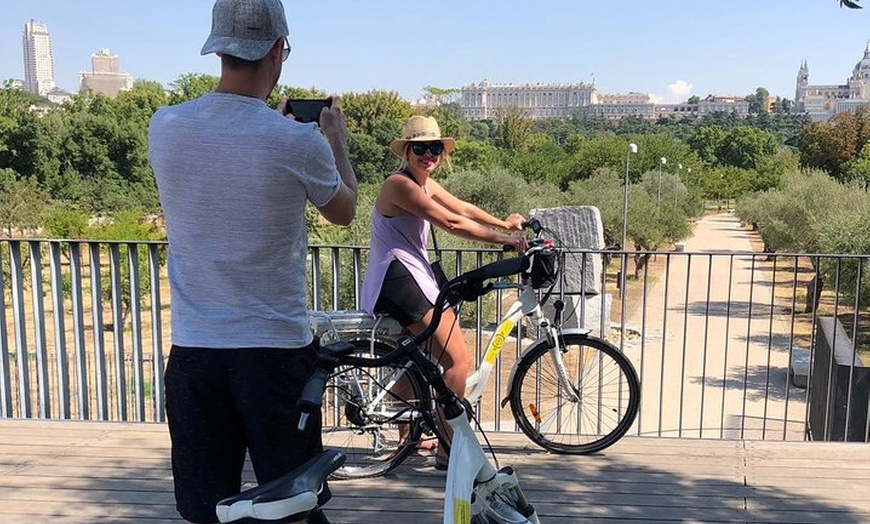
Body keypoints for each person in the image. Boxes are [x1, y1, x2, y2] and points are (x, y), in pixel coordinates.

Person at [147, 0, 357, 522]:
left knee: (205, 510)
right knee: (294, 506)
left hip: (195, 351)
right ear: (277, 50)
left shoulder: (165, 126)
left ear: (218, 47)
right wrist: (334, 138)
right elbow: (344, 211)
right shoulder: (296, 141)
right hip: (275, 354)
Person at [360, 115, 527, 469]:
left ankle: (410, 435)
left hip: (408, 275)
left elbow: (462, 208)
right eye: (419, 147)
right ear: (406, 151)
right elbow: (450, 223)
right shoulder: (399, 185)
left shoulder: (422, 183)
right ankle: (448, 448)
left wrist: (505, 223)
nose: (428, 154)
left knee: (418, 360)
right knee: (458, 360)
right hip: (399, 278)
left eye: (434, 147)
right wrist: (508, 241)